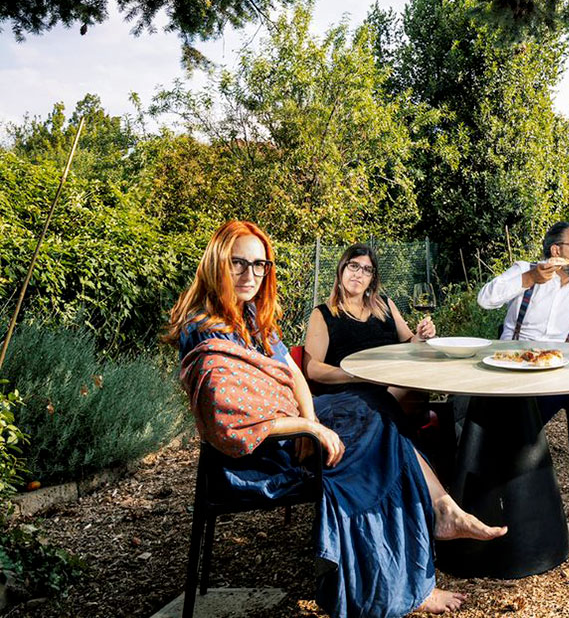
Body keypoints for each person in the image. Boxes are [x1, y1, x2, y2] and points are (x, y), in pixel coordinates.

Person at [169, 221, 504, 616]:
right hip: (259, 451)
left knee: (377, 416)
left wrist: (309, 419)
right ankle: (410, 563)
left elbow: (292, 375)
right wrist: (307, 427)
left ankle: (435, 528)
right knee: (374, 441)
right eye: (238, 263)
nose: (250, 274)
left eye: (260, 265)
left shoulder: (251, 316)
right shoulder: (204, 328)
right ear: (216, 263)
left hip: (299, 420)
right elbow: (227, 415)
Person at [476, 221, 569, 421]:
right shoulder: (524, 269)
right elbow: (485, 300)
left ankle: (510, 444)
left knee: (526, 405)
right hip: (513, 364)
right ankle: (514, 444)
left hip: (561, 371)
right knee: (482, 397)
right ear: (556, 250)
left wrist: (564, 358)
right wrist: (529, 278)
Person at [302, 243, 435, 406]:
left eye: (367, 270)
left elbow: (409, 343)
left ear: (372, 279)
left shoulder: (385, 305)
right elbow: (312, 369)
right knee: (401, 393)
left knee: (419, 384)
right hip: (354, 390)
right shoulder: (323, 314)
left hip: (394, 381)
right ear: (341, 269)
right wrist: (356, 374)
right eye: (353, 266)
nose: (359, 274)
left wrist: (420, 336)